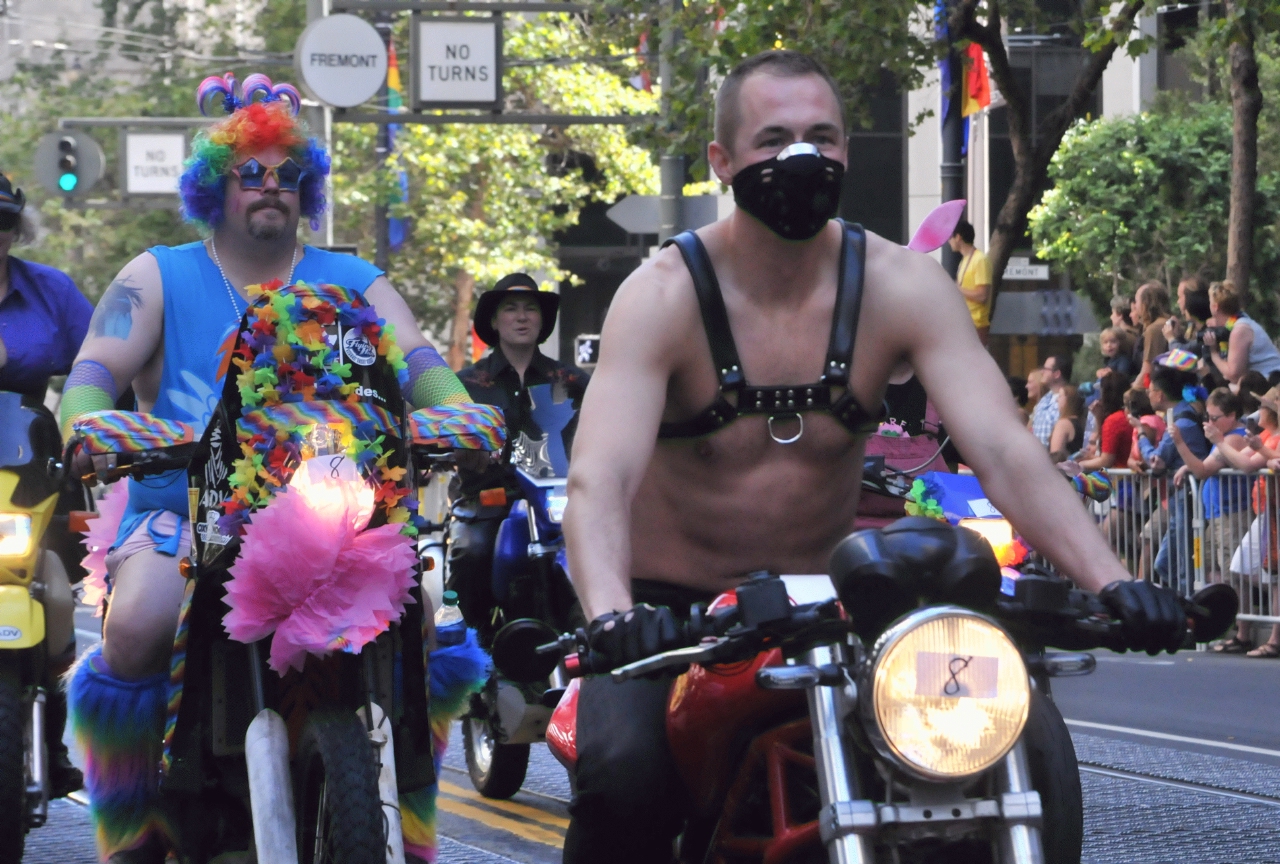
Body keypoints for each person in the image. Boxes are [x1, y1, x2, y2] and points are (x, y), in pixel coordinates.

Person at [560, 49, 1189, 864]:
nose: (801, 157)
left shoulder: (900, 284)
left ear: (848, 151)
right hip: (672, 619)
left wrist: (1116, 582)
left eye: (822, 136)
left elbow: (1003, 447)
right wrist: (614, 617)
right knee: (623, 778)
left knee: (994, 744)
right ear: (722, 161)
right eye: (773, 137)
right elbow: (598, 479)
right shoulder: (662, 296)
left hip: (834, 609)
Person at [58, 76, 474, 864]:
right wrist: (89, 420)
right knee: (142, 619)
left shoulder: (352, 281)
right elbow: (94, 367)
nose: (271, 187)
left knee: (424, 607)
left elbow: (419, 360)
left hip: (338, 518)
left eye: (289, 173)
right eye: (252, 170)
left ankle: (408, 816)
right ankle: (136, 831)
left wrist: (456, 406)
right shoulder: (158, 274)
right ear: (216, 185)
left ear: (308, 188)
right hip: (182, 514)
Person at [0, 171, 89, 798]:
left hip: (27, 470)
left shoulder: (50, 290)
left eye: (2, 222)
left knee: (56, 595)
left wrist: (102, 431)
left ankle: (51, 735)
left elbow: (102, 363)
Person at [450, 274, 590, 632]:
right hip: (487, 500)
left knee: (596, 554)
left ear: (543, 320)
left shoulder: (572, 381)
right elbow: (447, 437)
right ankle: (472, 655)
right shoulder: (465, 384)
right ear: (494, 322)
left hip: (558, 502)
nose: (522, 316)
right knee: (473, 553)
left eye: (531, 309)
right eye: (510, 309)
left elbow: (601, 433)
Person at [1208, 385, 1280, 656]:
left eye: (1262, 406)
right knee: (1239, 568)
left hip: (1276, 513)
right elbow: (1243, 461)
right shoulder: (1265, 436)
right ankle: (1243, 633)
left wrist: (1218, 442)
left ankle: (1274, 639)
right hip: (1266, 512)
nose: (1258, 411)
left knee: (1275, 576)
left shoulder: (1273, 438)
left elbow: (1248, 465)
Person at [1138, 356, 1210, 593]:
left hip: (1188, 497)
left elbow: (1157, 460)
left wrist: (1141, 439)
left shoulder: (1181, 422)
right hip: (1181, 497)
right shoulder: (1183, 414)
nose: (1148, 395)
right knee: (1164, 564)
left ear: (1160, 394)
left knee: (1180, 567)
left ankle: (1187, 610)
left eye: (1150, 391)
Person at [1171, 388, 1250, 587]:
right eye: (1207, 416)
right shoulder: (1222, 437)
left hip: (1230, 515)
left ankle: (1241, 616)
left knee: (1231, 573)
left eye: (1215, 418)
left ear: (1232, 416)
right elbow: (1205, 463)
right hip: (1216, 513)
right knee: (1205, 566)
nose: (1209, 423)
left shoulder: (1232, 438)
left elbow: (1202, 471)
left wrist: (1180, 443)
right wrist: (1185, 466)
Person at [1202, 279, 1280, 385]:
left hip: (1273, 384)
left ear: (1215, 307)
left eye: (1210, 302)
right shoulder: (1241, 320)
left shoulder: (1240, 330)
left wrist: (1213, 353)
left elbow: (1234, 375)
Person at [946, 218, 991, 344]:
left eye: (951, 237)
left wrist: (956, 289)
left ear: (958, 237)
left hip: (976, 326)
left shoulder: (980, 259)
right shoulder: (964, 260)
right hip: (966, 324)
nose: (949, 241)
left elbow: (982, 295)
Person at [1131, 281, 1171, 389]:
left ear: (1145, 304)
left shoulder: (1154, 329)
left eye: (1136, 301)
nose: (1135, 306)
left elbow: (1148, 369)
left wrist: (1132, 390)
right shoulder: (1168, 322)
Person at [1030, 353, 1071, 446]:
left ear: (1056, 374)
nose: (1041, 372)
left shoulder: (1069, 400)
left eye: (1045, 369)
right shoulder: (1044, 400)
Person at [1048, 383, 1085, 462]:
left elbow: (1056, 456)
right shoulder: (1083, 422)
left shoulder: (1063, 424)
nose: (1056, 400)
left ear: (1069, 400)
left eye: (1060, 396)